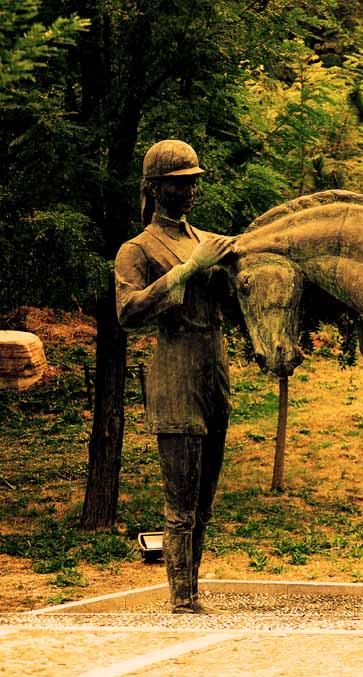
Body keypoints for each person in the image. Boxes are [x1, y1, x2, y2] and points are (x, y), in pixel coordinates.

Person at [114, 140, 235, 614]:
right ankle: (182, 599)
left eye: (194, 182)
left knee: (204, 501)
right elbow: (128, 311)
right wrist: (188, 270)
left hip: (213, 370)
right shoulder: (138, 248)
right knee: (181, 501)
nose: (190, 191)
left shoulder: (206, 239)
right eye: (180, 183)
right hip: (176, 371)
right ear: (155, 188)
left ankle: (192, 591)